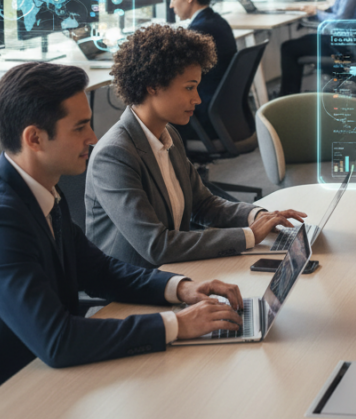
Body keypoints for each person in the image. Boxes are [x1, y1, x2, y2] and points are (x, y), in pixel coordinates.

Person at [0, 63, 247, 408]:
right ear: (34, 138)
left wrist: (182, 287)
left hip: (43, 378)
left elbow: (100, 270)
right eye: (80, 127)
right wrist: (176, 324)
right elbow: (58, 340)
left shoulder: (42, 191)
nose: (93, 137)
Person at [85, 25, 305, 268]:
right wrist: (249, 235)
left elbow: (202, 205)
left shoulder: (168, 134)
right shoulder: (114, 155)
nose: (197, 99)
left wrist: (257, 216)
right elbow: (156, 246)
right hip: (135, 287)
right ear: (153, 86)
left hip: (176, 268)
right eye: (189, 87)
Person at [168, 0, 237, 140]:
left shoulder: (199, 31)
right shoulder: (219, 22)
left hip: (204, 115)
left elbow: (177, 75)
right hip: (226, 112)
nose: (171, 5)